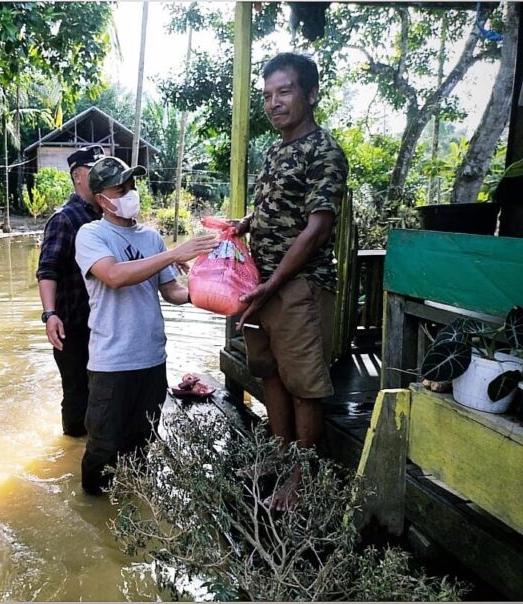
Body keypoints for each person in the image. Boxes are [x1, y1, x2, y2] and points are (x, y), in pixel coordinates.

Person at [232, 53, 349, 510]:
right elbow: (276, 210)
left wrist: (274, 283)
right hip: (262, 285)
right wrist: (245, 224)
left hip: (298, 286)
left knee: (304, 384)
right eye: (267, 95)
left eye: (284, 91)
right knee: (269, 373)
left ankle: (302, 478)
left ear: (311, 94)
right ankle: (277, 455)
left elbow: (316, 228)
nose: (273, 103)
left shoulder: (325, 151)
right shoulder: (276, 150)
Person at [74, 156, 218, 495]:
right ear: (101, 198)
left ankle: (132, 512)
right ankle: (92, 513)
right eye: (119, 189)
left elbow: (172, 291)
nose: (129, 193)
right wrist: (175, 253)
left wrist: (212, 293)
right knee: (104, 447)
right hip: (112, 362)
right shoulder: (91, 234)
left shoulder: (151, 239)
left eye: (131, 186)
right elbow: (114, 276)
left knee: (144, 442)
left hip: (152, 359)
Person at [36, 145, 105, 437]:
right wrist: (50, 314)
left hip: (102, 323)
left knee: (101, 391)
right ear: (78, 176)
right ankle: (72, 452)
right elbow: (47, 269)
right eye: (94, 169)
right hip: (72, 324)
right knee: (77, 393)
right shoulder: (64, 218)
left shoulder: (107, 215)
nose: (102, 174)